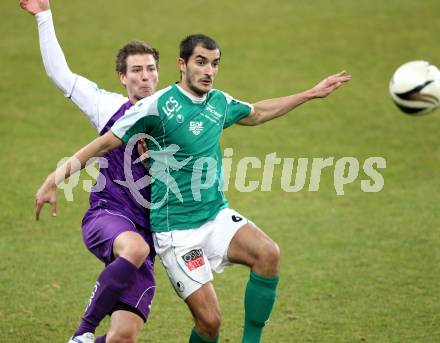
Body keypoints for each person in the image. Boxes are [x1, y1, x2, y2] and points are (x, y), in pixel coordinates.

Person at [35, 34, 351, 342]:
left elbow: (257, 113)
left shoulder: (219, 102)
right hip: (177, 232)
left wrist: (309, 94)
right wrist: (54, 178)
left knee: (268, 254)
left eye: (215, 63)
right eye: (201, 62)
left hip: (215, 216)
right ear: (182, 65)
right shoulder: (155, 106)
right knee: (210, 323)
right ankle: (84, 333)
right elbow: (104, 144)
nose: (209, 71)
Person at [21, 0, 160, 342]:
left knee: (122, 338)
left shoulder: (171, 117)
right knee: (135, 248)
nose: (145, 76)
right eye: (137, 70)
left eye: (151, 68)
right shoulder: (107, 106)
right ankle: (81, 333)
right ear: (122, 77)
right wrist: (44, 16)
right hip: (107, 216)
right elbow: (60, 75)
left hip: (149, 235)